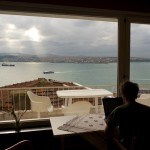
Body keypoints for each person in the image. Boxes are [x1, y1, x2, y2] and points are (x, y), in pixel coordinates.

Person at [104, 81, 150, 150]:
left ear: (123, 94)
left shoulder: (119, 110)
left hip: (126, 146)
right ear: (136, 94)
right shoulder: (147, 109)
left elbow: (107, 132)